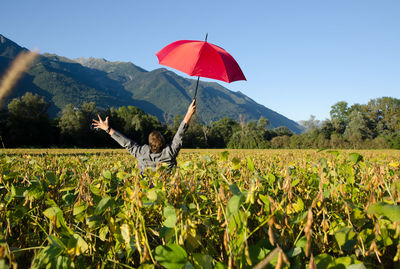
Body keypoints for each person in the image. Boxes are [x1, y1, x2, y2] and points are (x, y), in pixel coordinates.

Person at [92, 99, 196, 172]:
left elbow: (126, 143)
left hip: (145, 196)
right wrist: (189, 113)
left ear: (149, 144)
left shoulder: (141, 153)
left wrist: (108, 129)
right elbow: (179, 135)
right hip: (167, 196)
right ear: (163, 143)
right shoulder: (169, 153)